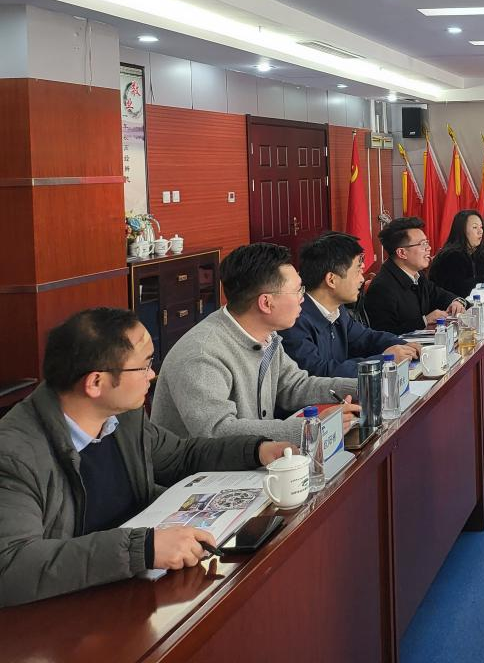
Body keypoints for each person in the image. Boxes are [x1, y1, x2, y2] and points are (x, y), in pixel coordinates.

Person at [0, 308, 293, 607]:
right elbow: (11, 566)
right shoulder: (14, 454)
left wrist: (256, 450)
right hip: (62, 611)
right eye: (143, 366)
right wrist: (143, 549)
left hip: (131, 587)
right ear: (96, 383)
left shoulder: (122, 417)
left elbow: (181, 456)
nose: (152, 375)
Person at [151, 243, 359, 444]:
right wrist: (307, 428)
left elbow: (295, 386)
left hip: (254, 459)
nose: (302, 298)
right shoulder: (202, 354)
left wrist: (363, 387)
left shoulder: (267, 336)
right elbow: (217, 431)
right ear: (266, 303)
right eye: (298, 290)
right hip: (208, 468)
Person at [280, 232, 416, 378]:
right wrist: (384, 361)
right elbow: (318, 372)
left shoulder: (338, 310)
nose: (361, 279)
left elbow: (366, 338)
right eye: (358, 271)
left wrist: (404, 345)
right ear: (331, 280)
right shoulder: (294, 320)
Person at [362, 217, 465, 335]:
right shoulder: (382, 287)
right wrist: (424, 321)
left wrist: (456, 302)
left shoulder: (417, 275)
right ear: (402, 253)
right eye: (422, 244)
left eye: (427, 242)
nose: (429, 248)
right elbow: (383, 334)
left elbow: (438, 294)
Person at [428, 209, 484, 299]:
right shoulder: (451, 256)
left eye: (481, 227)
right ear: (462, 230)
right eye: (474, 227)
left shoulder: (476, 252)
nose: (480, 231)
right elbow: (459, 289)